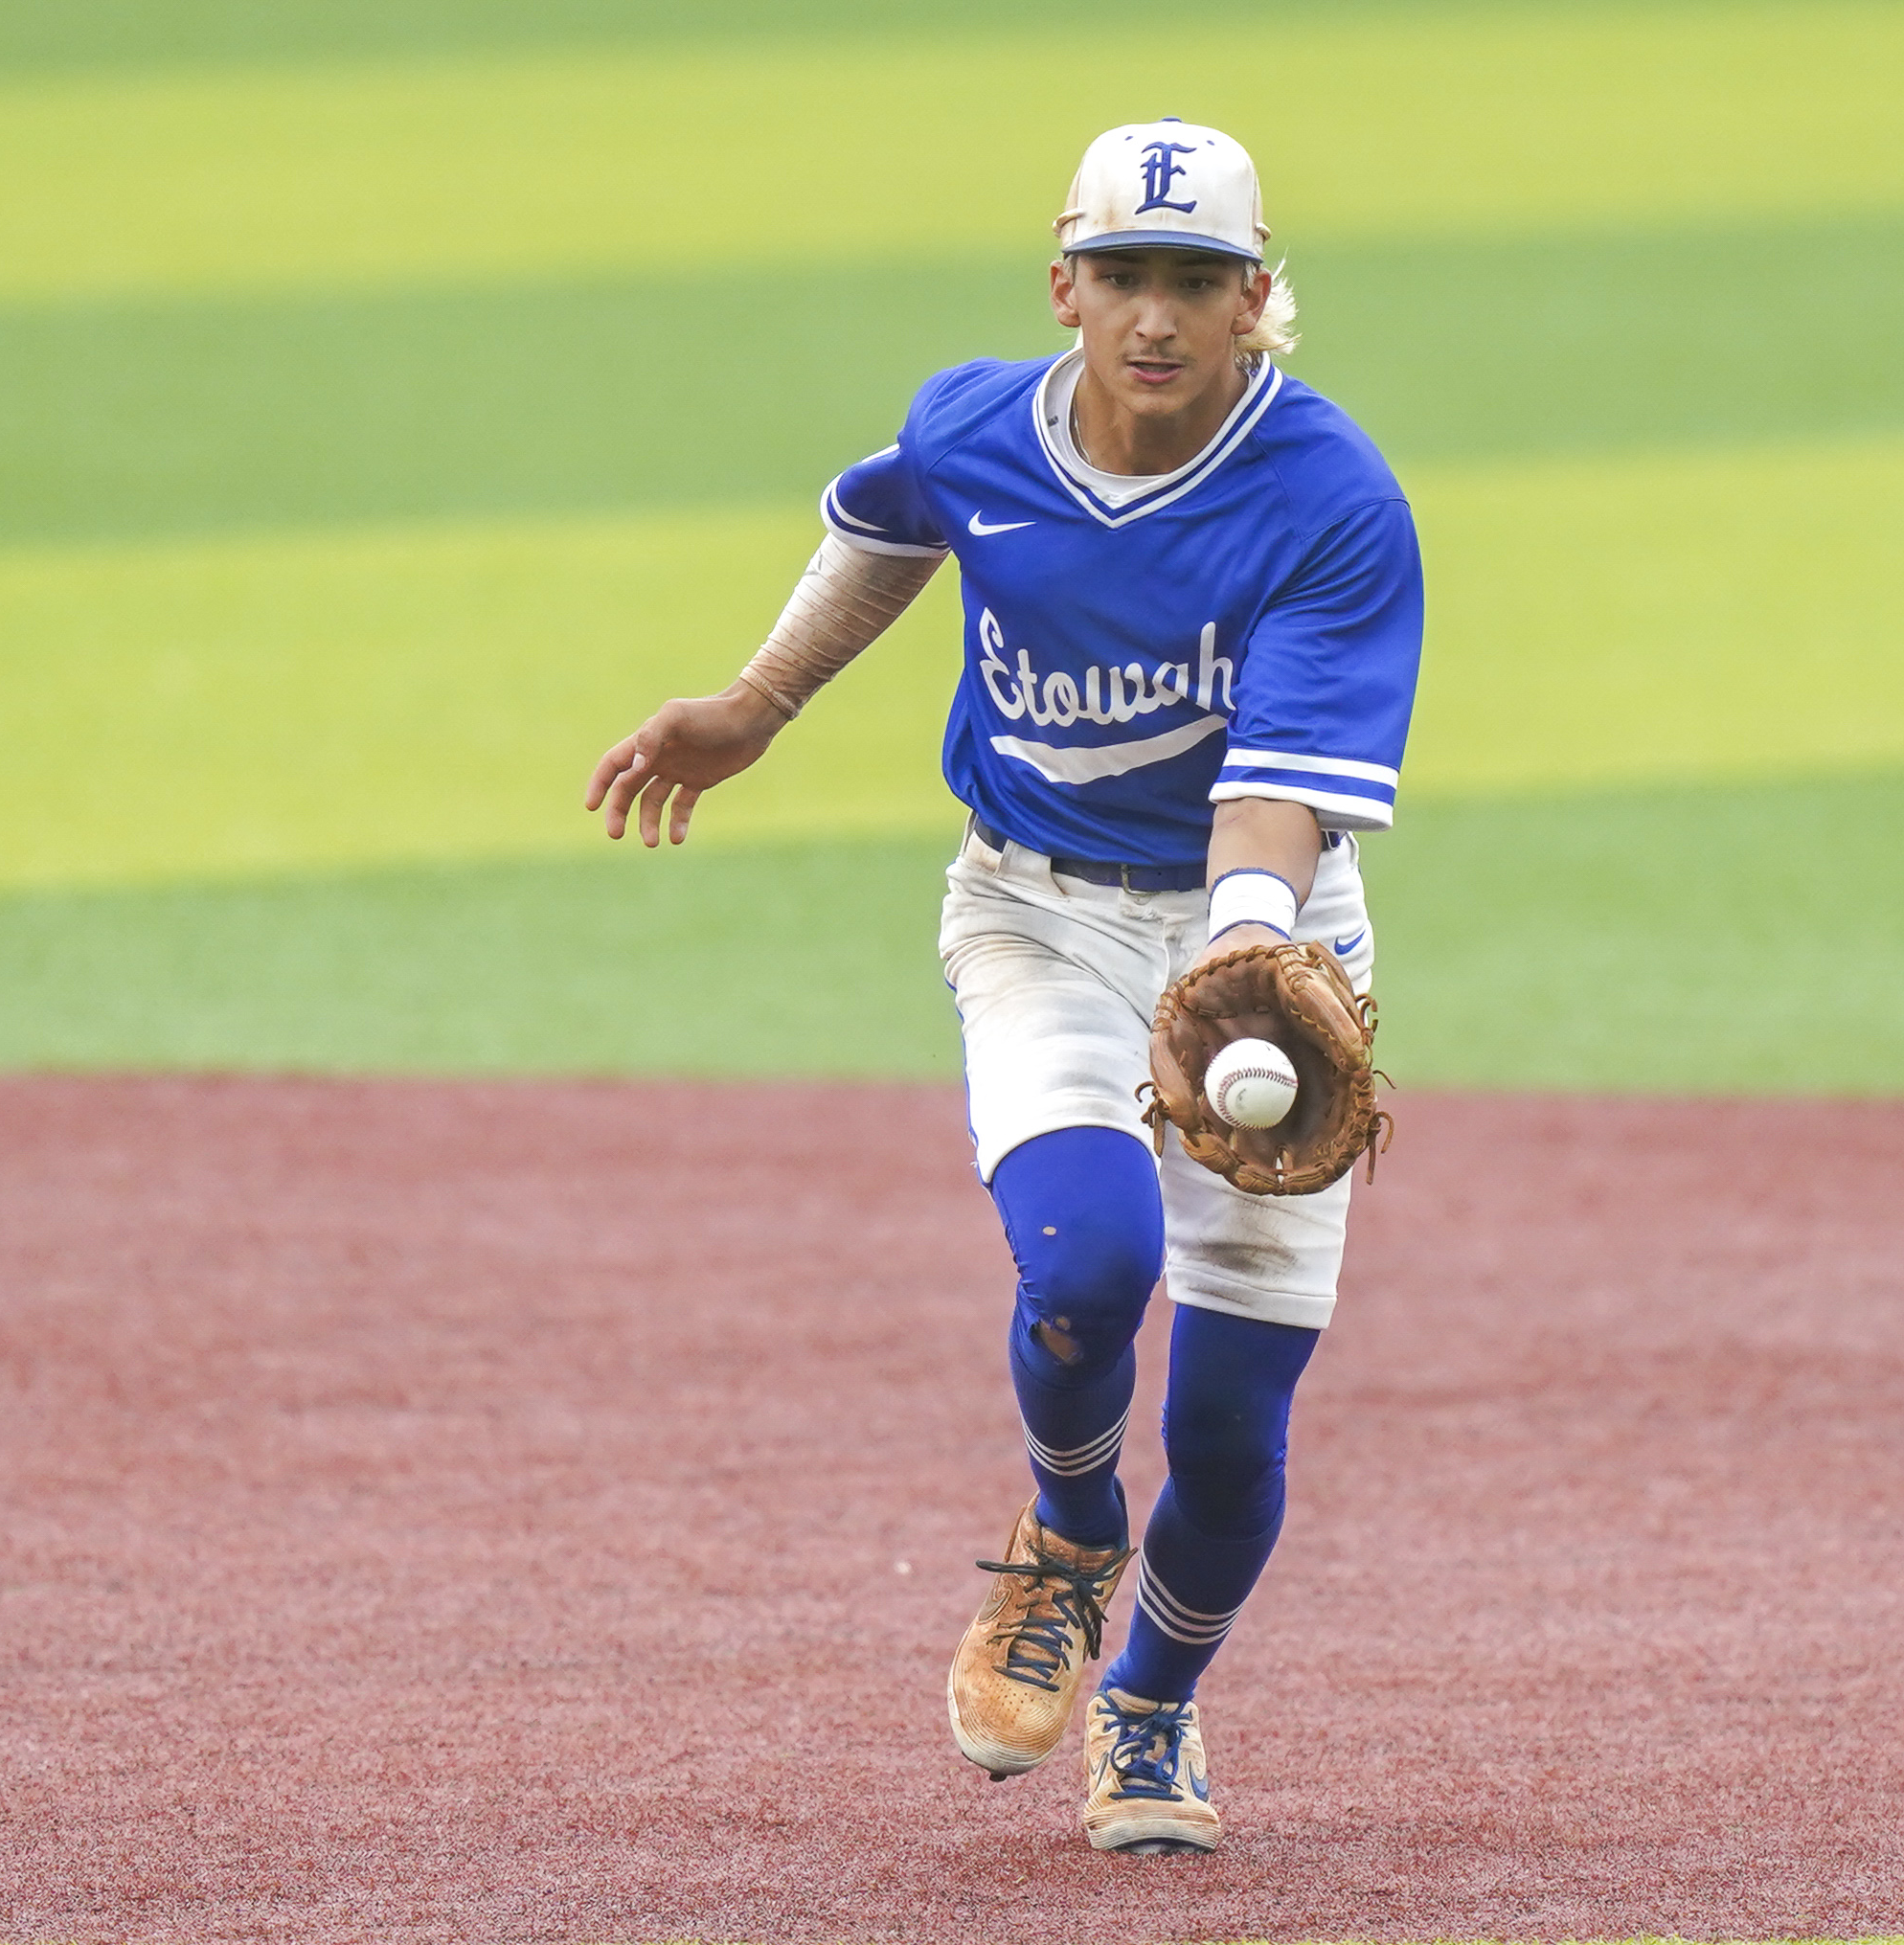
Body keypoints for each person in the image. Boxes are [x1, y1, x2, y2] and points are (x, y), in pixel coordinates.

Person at [584, 120, 1423, 1856]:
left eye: (1198, 279)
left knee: (1233, 1413)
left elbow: (1279, 780)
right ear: (1066, 285)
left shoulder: (1332, 499)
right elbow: (887, 519)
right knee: (1090, 1262)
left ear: (1257, 299)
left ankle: (1153, 1711)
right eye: (1123, 273)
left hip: (1262, 938)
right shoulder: (982, 422)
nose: (1157, 315)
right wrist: (759, 703)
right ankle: (1062, 1532)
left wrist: (1250, 952)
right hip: (1034, 914)